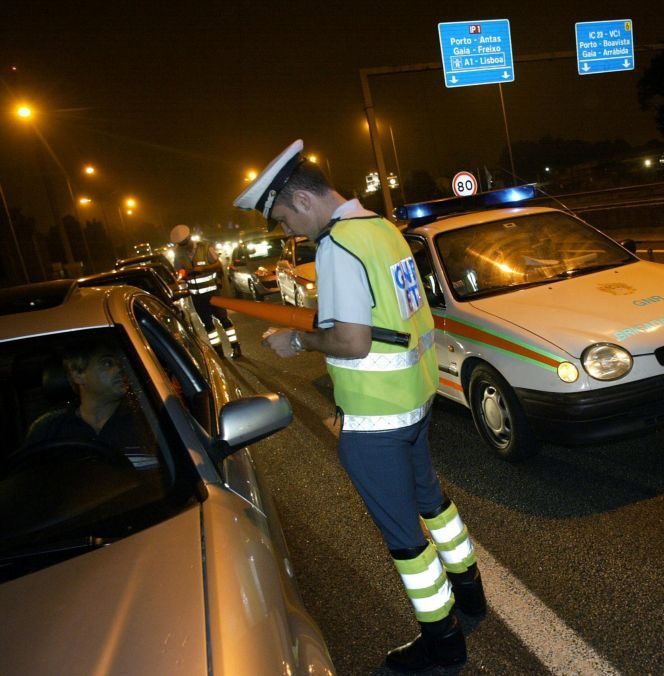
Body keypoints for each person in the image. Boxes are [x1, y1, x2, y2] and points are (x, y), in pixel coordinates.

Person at [234, 139, 486, 672]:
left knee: (405, 538)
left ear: (301, 202)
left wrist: (298, 342)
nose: (287, 233)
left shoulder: (337, 245)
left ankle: (443, 643)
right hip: (415, 401)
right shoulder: (382, 228)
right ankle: (471, 595)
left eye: (282, 219)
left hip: (375, 417)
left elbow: (351, 341)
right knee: (434, 505)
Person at [22, 338, 154, 464]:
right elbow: (27, 481)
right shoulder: (48, 429)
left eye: (122, 363)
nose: (121, 369)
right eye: (107, 363)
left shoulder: (149, 421)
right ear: (77, 375)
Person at [170, 224, 242, 358]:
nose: (184, 247)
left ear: (190, 238)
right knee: (208, 325)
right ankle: (218, 351)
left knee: (224, 320)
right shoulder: (178, 253)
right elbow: (179, 272)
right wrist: (185, 274)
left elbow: (218, 265)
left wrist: (204, 269)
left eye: (185, 243)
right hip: (197, 297)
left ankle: (235, 346)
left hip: (212, 293)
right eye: (181, 245)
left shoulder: (205, 247)